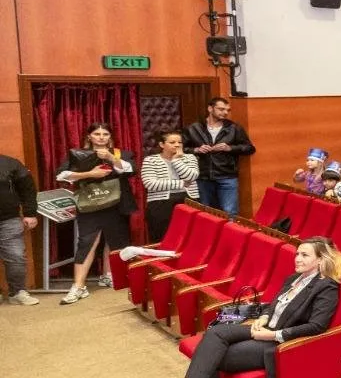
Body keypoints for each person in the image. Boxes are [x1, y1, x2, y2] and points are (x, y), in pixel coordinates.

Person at [140, 238, 341, 378]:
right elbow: (271, 306)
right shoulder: (294, 279)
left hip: (279, 343)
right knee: (214, 333)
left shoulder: (327, 287)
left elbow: (317, 326)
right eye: (297, 253)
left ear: (320, 260)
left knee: (212, 357)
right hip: (264, 328)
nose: (297, 258)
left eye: (305, 255)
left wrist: (273, 335)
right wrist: (263, 318)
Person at [56, 122, 136, 305]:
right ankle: (78, 286)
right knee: (87, 242)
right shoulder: (78, 154)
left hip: (117, 204)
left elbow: (131, 170)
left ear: (110, 137)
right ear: (89, 136)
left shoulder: (120, 154)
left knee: (115, 240)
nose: (101, 137)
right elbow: (61, 175)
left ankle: (109, 275)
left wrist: (111, 158)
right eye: (97, 133)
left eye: (105, 134)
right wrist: (89, 174)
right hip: (90, 204)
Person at [181, 96, 255, 216]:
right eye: (221, 109)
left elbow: (250, 148)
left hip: (227, 176)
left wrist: (230, 148)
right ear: (210, 109)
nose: (225, 112)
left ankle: (230, 235)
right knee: (205, 213)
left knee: (229, 212)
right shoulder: (194, 128)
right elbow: (180, 150)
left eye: (227, 110)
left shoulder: (234, 128)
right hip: (202, 177)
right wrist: (196, 150)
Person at [139, 131, 198, 242]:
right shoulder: (151, 160)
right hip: (160, 202)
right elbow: (150, 184)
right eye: (172, 142)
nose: (177, 145)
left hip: (189, 200)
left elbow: (191, 176)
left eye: (180, 142)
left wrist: (176, 160)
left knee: (188, 237)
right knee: (162, 237)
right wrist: (181, 183)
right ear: (162, 145)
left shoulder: (190, 158)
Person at [0, 151, 39, 305]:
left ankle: (17, 292)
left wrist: (30, 213)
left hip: (9, 219)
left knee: (16, 256)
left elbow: (28, 189)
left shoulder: (11, 163)